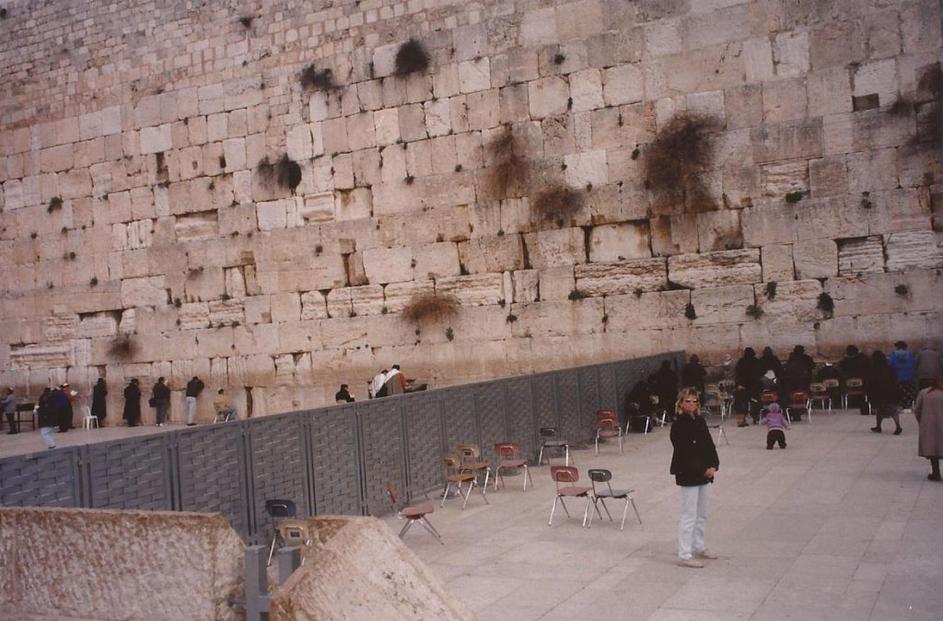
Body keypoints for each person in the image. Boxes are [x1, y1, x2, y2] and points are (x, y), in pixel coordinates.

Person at [670, 387, 720, 569]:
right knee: (689, 514)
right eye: (687, 401)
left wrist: (713, 465)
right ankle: (684, 554)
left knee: (702, 513)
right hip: (689, 473)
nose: (691, 404)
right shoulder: (678, 425)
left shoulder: (699, 420)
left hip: (705, 473)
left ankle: (699, 545)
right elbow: (685, 452)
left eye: (694, 401)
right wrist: (702, 469)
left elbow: (708, 445)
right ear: (681, 404)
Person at [914, 375, 943, 481]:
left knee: (933, 449)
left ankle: (936, 473)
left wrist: (922, 422)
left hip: (929, 425)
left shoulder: (924, 393)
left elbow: (917, 409)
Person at [869, 351, 903, 435]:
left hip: (879, 392)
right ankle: (897, 426)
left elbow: (872, 382)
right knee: (892, 409)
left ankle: (879, 426)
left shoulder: (874, 369)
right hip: (891, 391)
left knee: (880, 409)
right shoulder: (890, 368)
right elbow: (895, 379)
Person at [840, 345, 871, 415]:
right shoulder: (864, 359)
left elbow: (841, 368)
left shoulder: (845, 361)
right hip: (862, 384)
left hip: (849, 384)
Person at [735, 348, 762, 422]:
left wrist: (738, 384)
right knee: (755, 401)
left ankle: (741, 420)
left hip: (743, 386)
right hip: (754, 386)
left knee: (741, 402)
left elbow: (737, 373)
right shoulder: (756, 361)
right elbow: (760, 373)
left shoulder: (741, 361)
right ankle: (755, 417)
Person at [888, 341, 917, 407]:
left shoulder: (893, 355)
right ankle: (908, 406)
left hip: (897, 379)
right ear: (905, 347)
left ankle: (900, 407)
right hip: (909, 379)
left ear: (897, 347)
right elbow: (914, 365)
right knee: (908, 396)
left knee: (899, 396)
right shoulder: (910, 355)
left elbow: (890, 366)